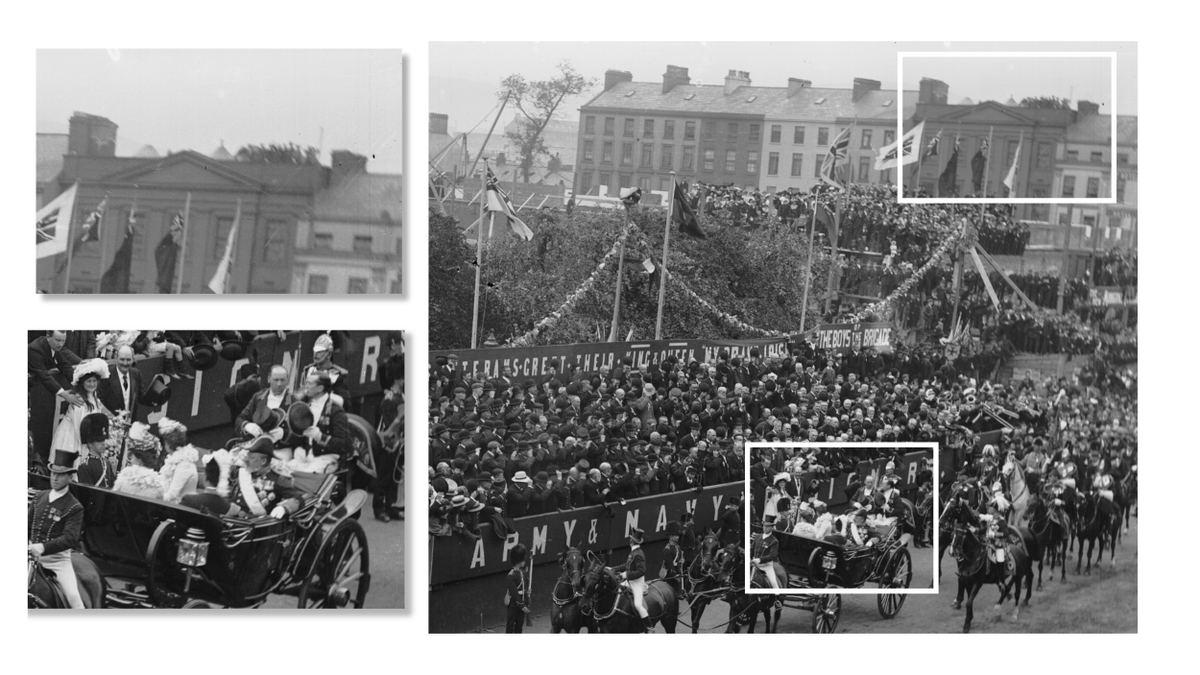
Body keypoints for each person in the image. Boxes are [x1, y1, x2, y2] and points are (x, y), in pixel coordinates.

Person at [28, 453, 86, 608]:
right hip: (29, 557)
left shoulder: (74, 507)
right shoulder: (39, 496)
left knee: (74, 598)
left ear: (70, 477)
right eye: (53, 473)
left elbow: (70, 538)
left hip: (57, 561)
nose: (54, 478)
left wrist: (42, 547)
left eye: (60, 475)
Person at [51, 358, 114, 463]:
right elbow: (79, 430)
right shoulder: (79, 402)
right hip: (74, 440)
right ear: (82, 383)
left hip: (89, 437)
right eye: (89, 381)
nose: (92, 384)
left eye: (94, 381)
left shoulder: (93, 395)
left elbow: (99, 408)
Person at [235, 365, 296, 437]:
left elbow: (303, 433)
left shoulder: (293, 401)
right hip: (258, 443)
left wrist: (284, 434)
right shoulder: (258, 397)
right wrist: (247, 425)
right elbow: (240, 419)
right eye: (276, 380)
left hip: (282, 446)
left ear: (287, 380)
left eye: (282, 380)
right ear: (269, 379)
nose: (279, 384)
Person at [29, 331, 83, 407]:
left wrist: (80, 385)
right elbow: (44, 376)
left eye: (63, 341)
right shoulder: (34, 350)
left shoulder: (53, 346)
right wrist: (65, 395)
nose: (61, 344)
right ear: (48, 337)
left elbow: (65, 366)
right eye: (58, 340)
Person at [612, 527, 651, 631]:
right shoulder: (633, 552)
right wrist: (613, 569)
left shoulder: (638, 554)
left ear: (631, 541)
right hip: (629, 582)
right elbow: (627, 565)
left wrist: (626, 575)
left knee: (638, 605)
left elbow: (641, 571)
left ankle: (649, 627)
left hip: (637, 583)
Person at [112, 424, 165, 500]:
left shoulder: (124, 478)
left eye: (132, 457)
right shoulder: (158, 485)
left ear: (139, 460)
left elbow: (113, 500)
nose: (130, 460)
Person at [301, 333, 351, 406]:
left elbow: (346, 403)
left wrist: (324, 395)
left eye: (320, 352)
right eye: (315, 351)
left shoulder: (337, 375)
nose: (315, 354)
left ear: (329, 354)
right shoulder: (308, 370)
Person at [157, 418, 199, 504]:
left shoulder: (185, 465)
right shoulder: (174, 461)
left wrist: (151, 497)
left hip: (181, 510)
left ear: (168, 444)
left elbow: (172, 495)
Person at [75, 413, 114, 489]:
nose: (103, 443)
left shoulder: (107, 463)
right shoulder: (85, 466)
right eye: (99, 441)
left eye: (103, 440)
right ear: (90, 444)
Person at [750, 518, 784, 592]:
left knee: (774, 583)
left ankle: (776, 600)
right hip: (754, 565)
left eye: (767, 526)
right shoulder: (758, 537)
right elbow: (751, 549)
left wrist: (759, 560)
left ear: (772, 527)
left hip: (766, 566)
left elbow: (772, 556)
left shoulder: (774, 541)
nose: (765, 528)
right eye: (764, 526)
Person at [505, 543, 530, 633]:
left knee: (519, 626)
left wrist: (527, 592)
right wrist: (522, 606)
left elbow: (525, 587)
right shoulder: (511, 576)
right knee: (510, 626)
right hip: (513, 605)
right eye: (523, 559)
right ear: (519, 560)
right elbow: (514, 593)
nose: (524, 561)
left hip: (522, 603)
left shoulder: (523, 573)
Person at [660, 521, 685, 594]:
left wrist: (682, 560)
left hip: (677, 573)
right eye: (676, 535)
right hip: (670, 576)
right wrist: (675, 575)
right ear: (671, 536)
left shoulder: (677, 547)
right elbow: (669, 564)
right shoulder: (667, 549)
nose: (678, 537)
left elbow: (679, 559)